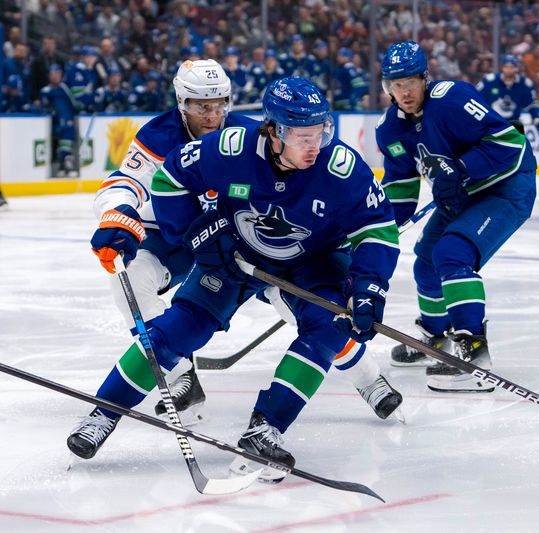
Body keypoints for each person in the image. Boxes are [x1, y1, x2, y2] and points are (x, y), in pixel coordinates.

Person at [68, 77, 400, 482]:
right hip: (235, 256)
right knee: (175, 331)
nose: (314, 145)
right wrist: (196, 235)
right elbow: (170, 178)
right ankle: (104, 413)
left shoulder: (341, 167)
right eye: (301, 136)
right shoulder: (233, 148)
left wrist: (369, 287)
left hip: (313, 260)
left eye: (320, 133)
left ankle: (267, 428)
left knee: (327, 329)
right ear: (274, 131)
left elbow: (378, 228)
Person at [376, 41, 537, 392]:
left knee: (452, 255)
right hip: (459, 197)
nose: (404, 91)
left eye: (410, 82)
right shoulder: (390, 129)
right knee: (425, 262)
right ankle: (436, 340)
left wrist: (462, 168)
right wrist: (377, 226)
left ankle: (474, 354)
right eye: (395, 84)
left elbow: (510, 144)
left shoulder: (452, 100)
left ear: (425, 79)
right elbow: (401, 188)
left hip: (506, 188)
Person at [476, 54, 539, 142]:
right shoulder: (489, 81)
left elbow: (531, 104)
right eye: (506, 67)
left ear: (516, 68)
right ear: (502, 67)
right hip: (491, 127)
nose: (509, 70)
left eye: (511, 67)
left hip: (513, 128)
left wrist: (536, 117)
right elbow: (475, 98)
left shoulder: (525, 84)